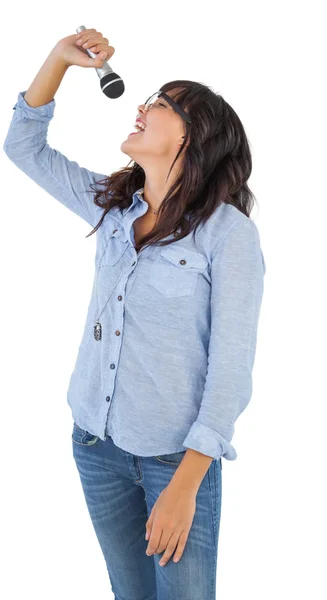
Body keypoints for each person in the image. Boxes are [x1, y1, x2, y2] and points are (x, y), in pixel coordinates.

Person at [3, 28, 266, 600]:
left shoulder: (228, 236)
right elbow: (23, 148)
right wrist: (58, 60)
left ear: (191, 137)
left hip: (177, 458)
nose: (143, 108)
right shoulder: (114, 204)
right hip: (96, 445)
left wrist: (188, 481)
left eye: (162, 105)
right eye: (148, 100)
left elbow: (231, 367)